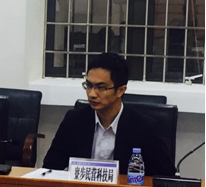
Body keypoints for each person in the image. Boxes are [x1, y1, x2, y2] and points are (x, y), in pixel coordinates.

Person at [43, 52, 176, 176]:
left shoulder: (144, 127)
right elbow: (50, 168)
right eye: (89, 85)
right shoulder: (74, 121)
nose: (92, 94)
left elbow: (166, 177)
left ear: (120, 90)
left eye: (101, 87)